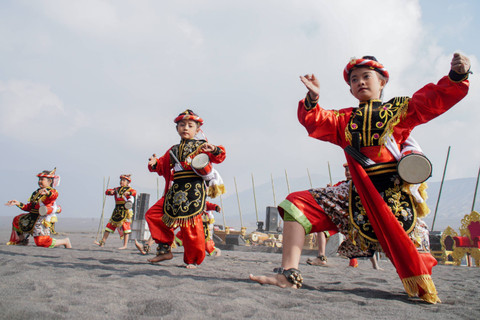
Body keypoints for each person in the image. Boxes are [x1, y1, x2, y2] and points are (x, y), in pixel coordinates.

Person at [250, 53, 470, 304]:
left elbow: (431, 100)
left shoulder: (399, 111)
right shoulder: (344, 120)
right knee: (296, 203)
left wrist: (456, 77)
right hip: (355, 195)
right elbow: (315, 121)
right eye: (354, 79)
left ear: (382, 82)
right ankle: (288, 275)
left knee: (419, 274)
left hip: (394, 198)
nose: (360, 82)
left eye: (367, 77)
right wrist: (313, 98)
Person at [145, 109, 226, 268]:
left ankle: (193, 260)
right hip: (175, 191)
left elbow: (220, 156)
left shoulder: (202, 145)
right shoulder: (173, 149)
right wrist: (155, 163)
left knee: (191, 227)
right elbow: (162, 166)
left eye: (190, 125)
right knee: (154, 214)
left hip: (193, 191)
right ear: (177, 129)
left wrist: (215, 149)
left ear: (197, 129)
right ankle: (164, 249)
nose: (185, 128)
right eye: (182, 125)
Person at [306, 164, 380, 270]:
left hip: (355, 217)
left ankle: (374, 264)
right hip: (340, 217)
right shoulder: (341, 184)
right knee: (321, 230)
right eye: (346, 170)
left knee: (363, 238)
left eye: (350, 169)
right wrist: (329, 189)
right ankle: (321, 257)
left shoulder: (361, 184)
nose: (348, 172)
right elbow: (332, 193)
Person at [5, 168, 72, 248]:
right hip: (32, 216)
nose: (40, 181)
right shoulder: (37, 192)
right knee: (17, 219)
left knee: (42, 243)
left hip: (41, 219)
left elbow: (53, 196)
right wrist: (18, 203)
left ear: (49, 181)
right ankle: (23, 240)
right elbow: (29, 207)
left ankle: (65, 241)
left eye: (42, 179)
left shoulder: (52, 192)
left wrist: (47, 193)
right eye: (39, 179)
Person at [95, 174, 136, 249]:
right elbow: (107, 192)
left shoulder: (129, 190)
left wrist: (128, 193)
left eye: (124, 180)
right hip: (117, 210)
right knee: (109, 225)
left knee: (125, 227)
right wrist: (109, 192)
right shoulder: (116, 189)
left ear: (127, 182)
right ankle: (103, 242)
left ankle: (125, 245)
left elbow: (134, 192)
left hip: (125, 211)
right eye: (121, 180)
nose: (122, 182)